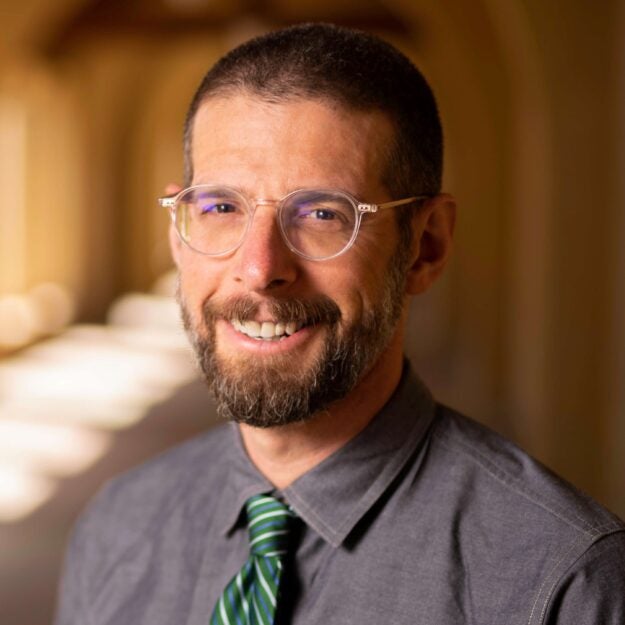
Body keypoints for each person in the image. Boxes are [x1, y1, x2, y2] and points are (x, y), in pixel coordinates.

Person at [55, 23, 625, 625]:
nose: (260, 269)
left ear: (425, 247)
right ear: (179, 232)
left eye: (324, 214)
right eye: (222, 208)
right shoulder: (116, 529)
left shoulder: (564, 584)